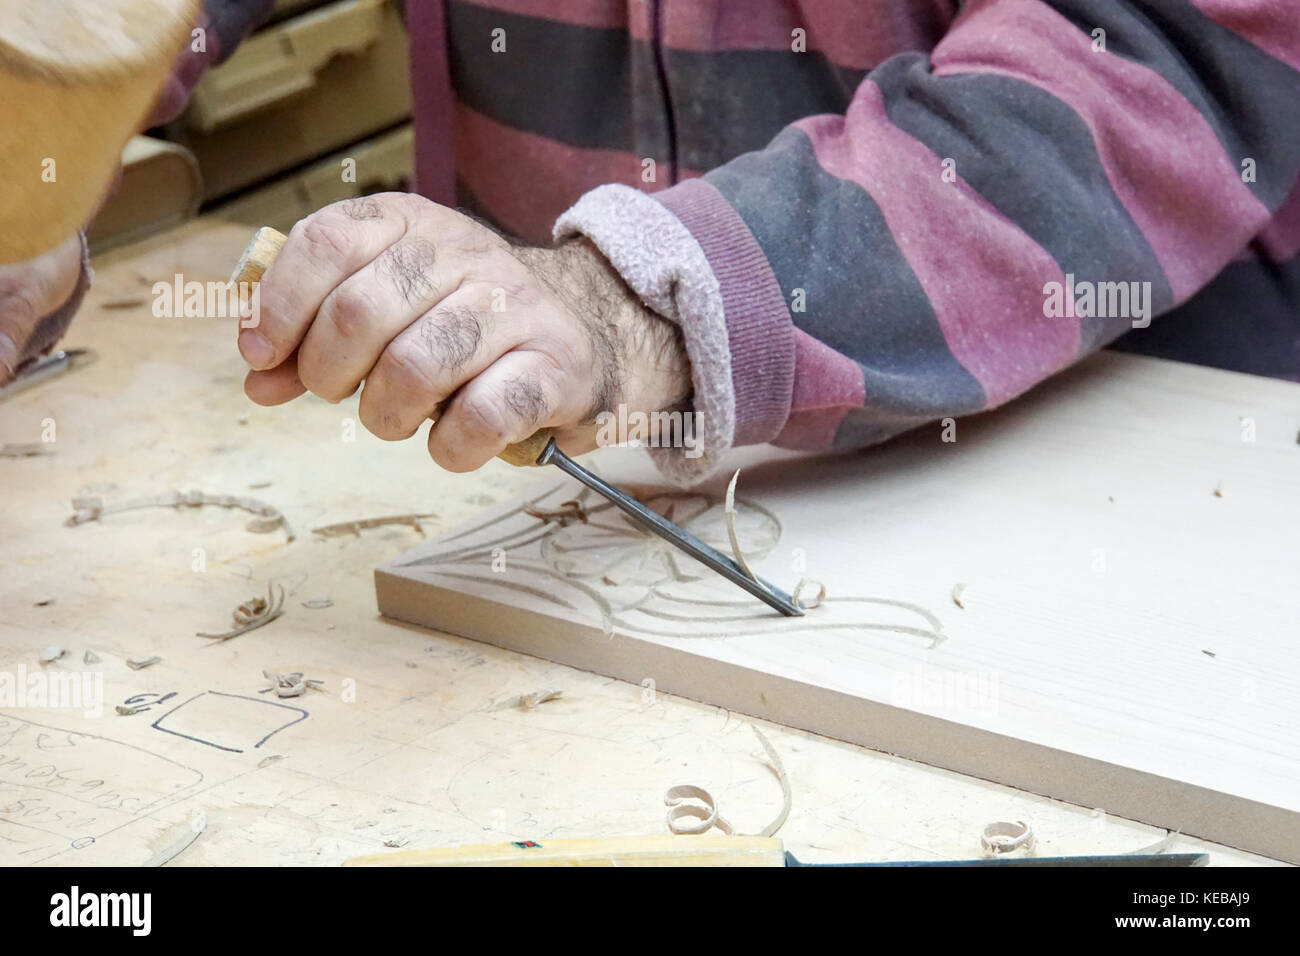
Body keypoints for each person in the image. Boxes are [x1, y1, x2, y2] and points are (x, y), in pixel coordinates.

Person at [5, 0, 1298, 485]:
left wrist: (627, 298)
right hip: (568, 495)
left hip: (1130, 472)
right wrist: (42, 140)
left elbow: (1150, 54)